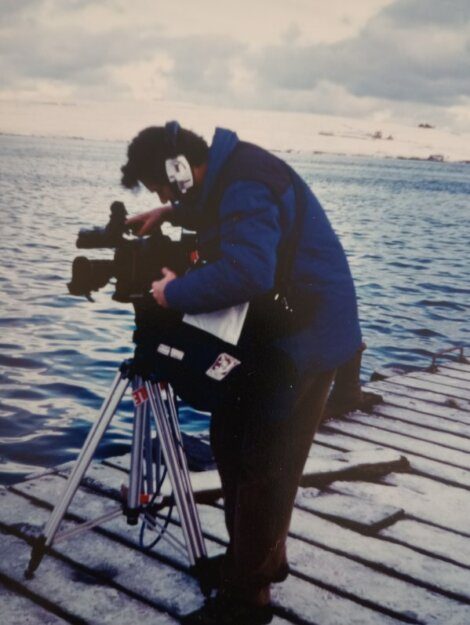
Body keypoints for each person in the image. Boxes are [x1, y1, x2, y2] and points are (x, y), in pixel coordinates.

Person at [121, 122, 363, 625]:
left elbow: (251, 270)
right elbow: (228, 214)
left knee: (264, 459)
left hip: (308, 338)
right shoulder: (234, 173)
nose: (163, 194)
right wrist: (172, 211)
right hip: (281, 331)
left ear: (180, 170)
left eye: (162, 187)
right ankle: (252, 564)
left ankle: (247, 602)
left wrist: (175, 293)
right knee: (231, 436)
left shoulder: (248, 180)